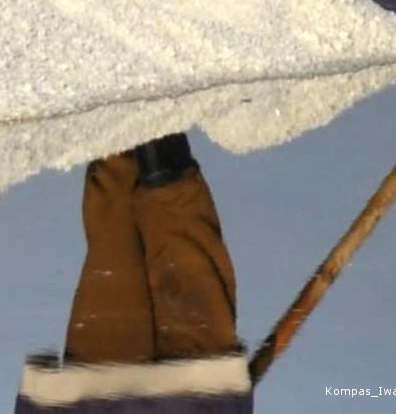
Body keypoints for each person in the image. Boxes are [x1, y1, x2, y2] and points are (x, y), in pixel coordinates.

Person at [16, 132, 252, 413]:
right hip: (95, 396)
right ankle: (122, 132)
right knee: (114, 246)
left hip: (193, 394)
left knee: (190, 278)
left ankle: (159, 150)